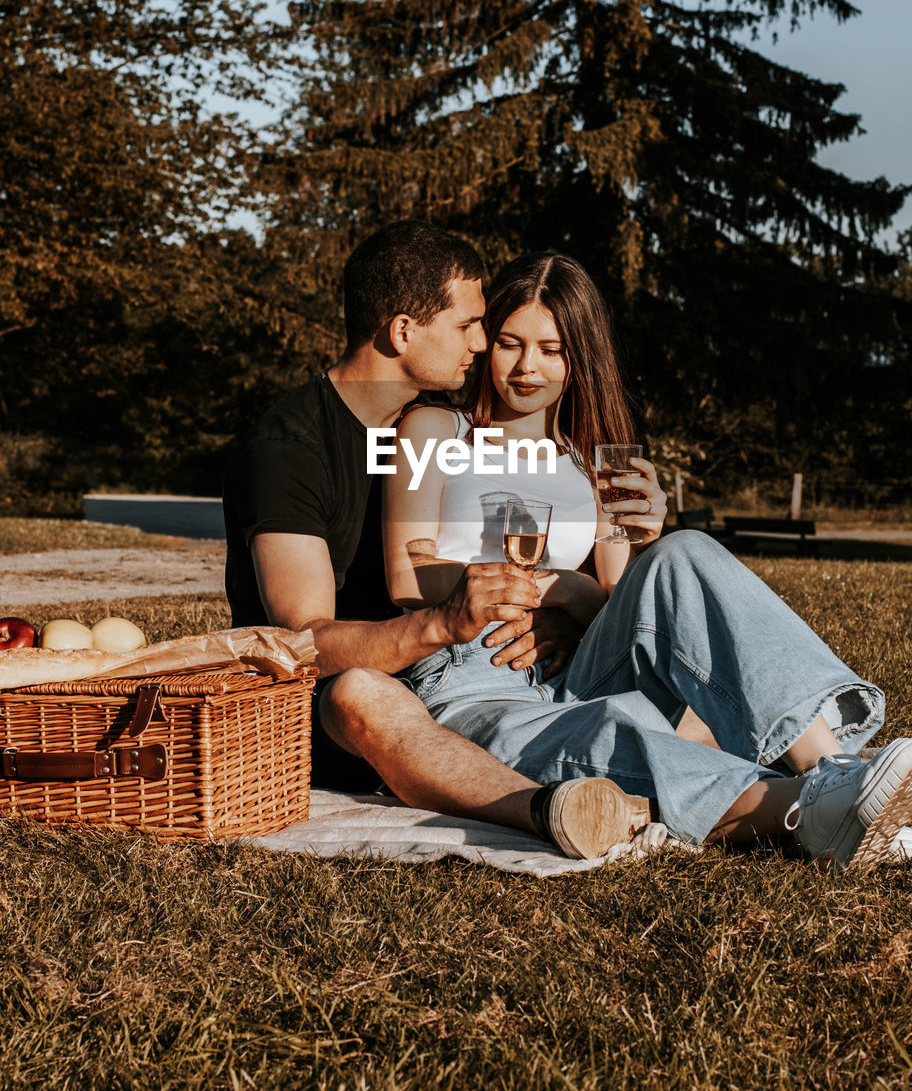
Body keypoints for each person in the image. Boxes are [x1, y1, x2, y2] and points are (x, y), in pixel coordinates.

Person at [383, 251, 912, 869]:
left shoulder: (592, 459)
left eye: (552, 350)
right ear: (486, 344)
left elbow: (618, 593)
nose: (528, 367)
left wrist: (642, 535)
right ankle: (824, 806)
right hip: (472, 675)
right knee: (607, 730)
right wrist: (552, 589)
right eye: (508, 344)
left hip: (576, 666)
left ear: (580, 357)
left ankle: (830, 768)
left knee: (682, 551)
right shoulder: (436, 431)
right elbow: (404, 575)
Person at [222, 220, 652, 861]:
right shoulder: (291, 449)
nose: (483, 345)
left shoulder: (428, 432)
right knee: (360, 690)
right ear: (402, 332)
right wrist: (448, 622)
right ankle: (544, 809)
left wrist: (557, 612)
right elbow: (301, 640)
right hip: (338, 710)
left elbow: (574, 567)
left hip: (471, 670)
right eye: (469, 327)